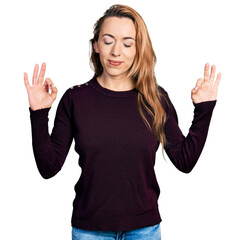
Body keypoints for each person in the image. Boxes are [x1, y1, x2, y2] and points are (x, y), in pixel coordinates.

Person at [24, 4, 221, 240]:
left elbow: (184, 160)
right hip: (89, 231)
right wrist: (39, 113)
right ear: (96, 46)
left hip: (145, 230)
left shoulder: (155, 99)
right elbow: (48, 168)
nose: (117, 51)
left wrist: (204, 110)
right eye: (108, 41)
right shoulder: (75, 99)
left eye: (127, 43)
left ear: (139, 49)